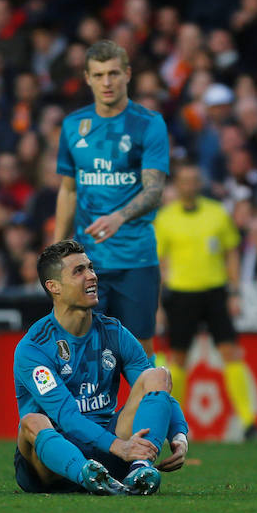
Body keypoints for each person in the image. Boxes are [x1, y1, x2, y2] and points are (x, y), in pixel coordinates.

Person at [13, 240, 188, 496]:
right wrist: (120, 446)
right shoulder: (34, 348)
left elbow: (157, 389)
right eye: (79, 271)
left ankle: (140, 469)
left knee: (158, 374)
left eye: (91, 268)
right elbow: (67, 417)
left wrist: (179, 434)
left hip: (109, 450)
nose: (92, 276)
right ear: (54, 287)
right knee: (32, 421)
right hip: (53, 464)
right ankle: (87, 474)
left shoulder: (114, 333)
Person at [54, 40, 169, 360]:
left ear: (128, 74)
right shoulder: (74, 126)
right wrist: (56, 253)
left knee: (140, 353)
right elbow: (68, 190)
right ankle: (93, 413)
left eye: (114, 73)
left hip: (136, 260)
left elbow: (154, 190)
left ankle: (148, 411)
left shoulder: (148, 124)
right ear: (87, 78)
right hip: (86, 264)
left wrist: (119, 217)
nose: (107, 82)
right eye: (99, 74)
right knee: (82, 353)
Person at [154, 164, 257, 441]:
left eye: (193, 180)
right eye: (184, 181)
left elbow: (232, 253)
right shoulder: (165, 219)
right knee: (178, 358)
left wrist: (235, 292)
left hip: (215, 292)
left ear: (199, 183)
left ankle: (249, 423)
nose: (189, 186)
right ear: (177, 185)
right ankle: (174, 424)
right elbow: (158, 265)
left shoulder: (217, 213)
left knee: (231, 352)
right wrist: (157, 306)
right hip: (181, 294)